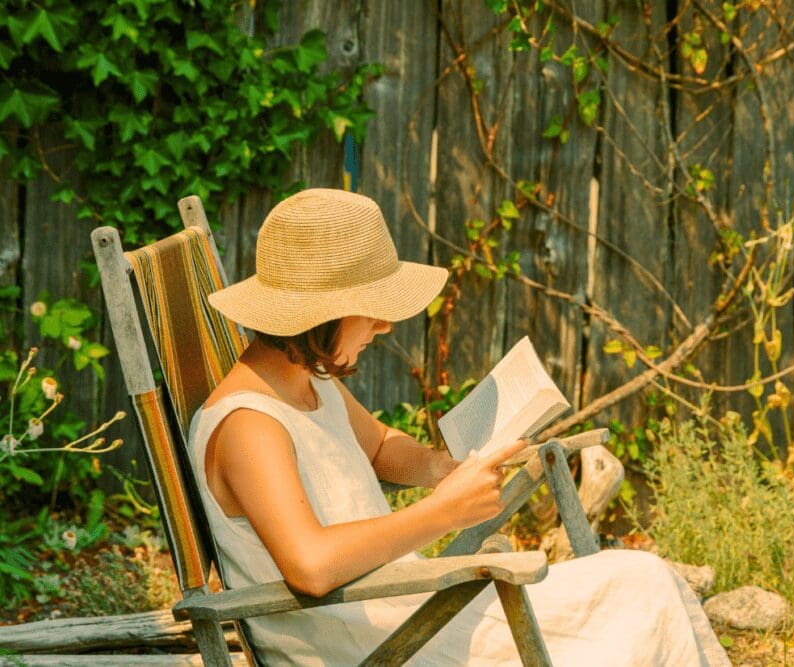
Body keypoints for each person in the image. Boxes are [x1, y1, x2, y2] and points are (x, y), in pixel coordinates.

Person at [188, 188, 705, 665]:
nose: (386, 326)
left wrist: (442, 468)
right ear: (321, 314)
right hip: (368, 643)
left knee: (643, 582)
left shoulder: (308, 379)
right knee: (642, 591)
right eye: (372, 310)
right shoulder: (249, 424)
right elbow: (311, 565)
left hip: (400, 611)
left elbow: (379, 447)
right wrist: (442, 513)